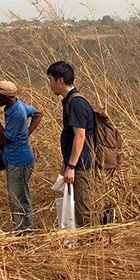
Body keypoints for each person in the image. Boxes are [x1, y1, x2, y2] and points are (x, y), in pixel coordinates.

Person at [46, 61, 97, 227]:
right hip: (74, 163)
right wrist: (66, 163)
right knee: (76, 206)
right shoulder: (69, 101)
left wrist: (72, 167)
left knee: (83, 208)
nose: (49, 84)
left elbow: (80, 137)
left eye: (51, 80)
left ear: (60, 80)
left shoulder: (76, 103)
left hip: (81, 164)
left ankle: (91, 245)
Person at [0, 80, 42, 232]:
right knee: (19, 195)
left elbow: (7, 138)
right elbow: (37, 114)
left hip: (19, 160)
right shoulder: (16, 105)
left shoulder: (17, 113)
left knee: (18, 197)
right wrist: (27, 133)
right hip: (16, 157)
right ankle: (23, 228)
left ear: (6, 97)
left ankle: (24, 230)